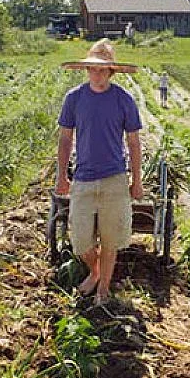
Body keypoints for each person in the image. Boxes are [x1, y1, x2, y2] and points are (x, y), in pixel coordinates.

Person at [58, 39, 143, 305]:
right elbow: (64, 139)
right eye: (93, 69)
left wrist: (136, 180)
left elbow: (133, 142)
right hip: (82, 178)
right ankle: (94, 272)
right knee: (80, 240)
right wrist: (62, 175)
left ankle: (104, 288)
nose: (97, 74)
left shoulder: (123, 100)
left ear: (111, 72)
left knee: (110, 238)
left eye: (102, 69)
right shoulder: (74, 98)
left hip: (114, 179)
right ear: (86, 70)